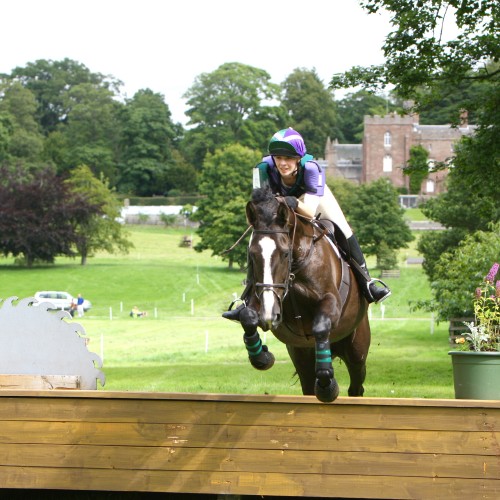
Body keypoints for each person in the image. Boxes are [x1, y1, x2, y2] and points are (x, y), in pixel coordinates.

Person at [222, 127, 391, 322]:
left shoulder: (311, 169)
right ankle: (247, 299)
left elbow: (310, 212)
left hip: (311, 199)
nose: (282, 163)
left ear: (298, 159)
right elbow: (259, 209)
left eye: (288, 158)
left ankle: (367, 283)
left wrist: (291, 201)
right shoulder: (261, 170)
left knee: (342, 228)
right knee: (258, 238)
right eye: (278, 158)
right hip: (281, 203)